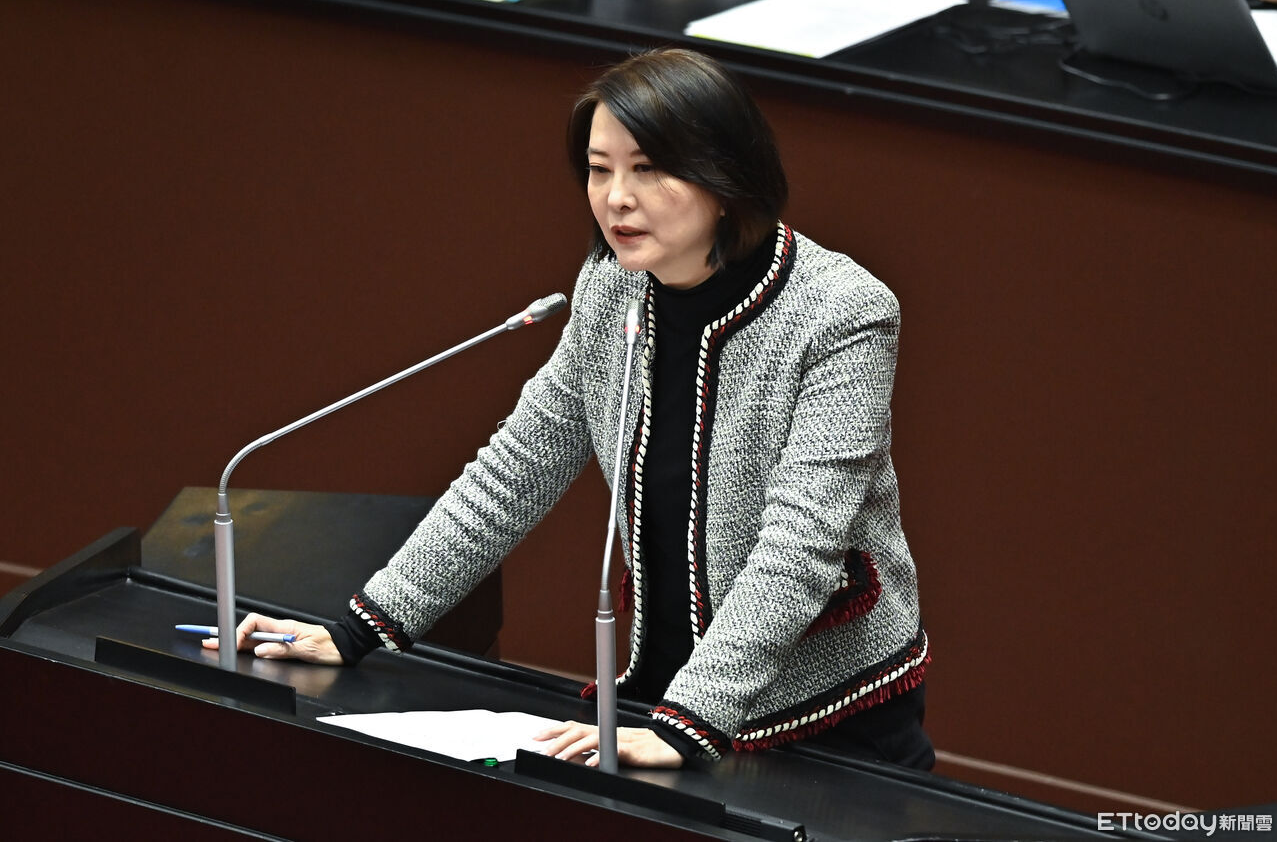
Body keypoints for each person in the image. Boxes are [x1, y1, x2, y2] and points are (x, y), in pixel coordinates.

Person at [214, 48, 933, 771]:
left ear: (726, 175)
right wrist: (360, 628)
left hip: (827, 718)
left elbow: (800, 543)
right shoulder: (612, 288)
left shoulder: (842, 314)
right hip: (666, 698)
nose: (616, 197)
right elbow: (515, 470)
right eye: (599, 169)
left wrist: (693, 721)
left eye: (647, 168)